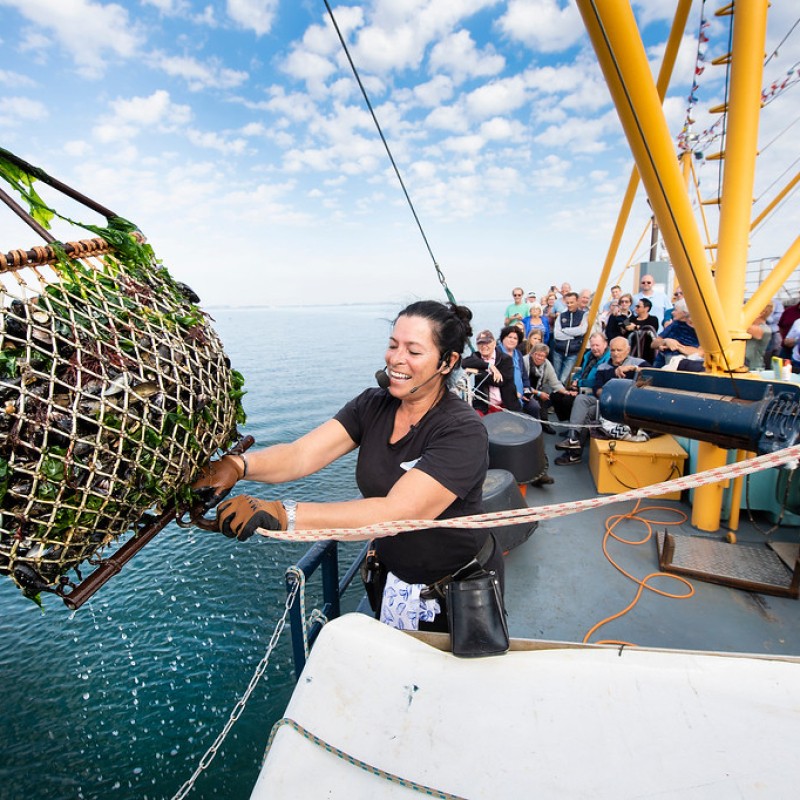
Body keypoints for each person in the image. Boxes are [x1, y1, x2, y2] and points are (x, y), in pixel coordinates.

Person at [193, 300, 502, 634]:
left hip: (454, 590)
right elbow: (301, 454)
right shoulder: (373, 404)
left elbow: (398, 512)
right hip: (394, 579)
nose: (396, 359)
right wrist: (238, 465)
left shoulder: (461, 430)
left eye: (414, 351)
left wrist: (283, 514)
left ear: (448, 361)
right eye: (393, 345)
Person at [554, 336, 645, 466]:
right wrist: (612, 395)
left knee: (588, 412)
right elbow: (597, 389)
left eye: (619, 350)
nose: (615, 353)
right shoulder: (603, 367)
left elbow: (653, 374)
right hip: (605, 403)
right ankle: (573, 438)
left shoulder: (638, 363)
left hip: (627, 406)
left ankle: (574, 455)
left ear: (628, 350)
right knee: (581, 399)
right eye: (613, 350)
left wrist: (632, 368)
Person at [550, 332, 610, 423]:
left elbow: (595, 381)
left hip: (592, 391)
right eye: (592, 345)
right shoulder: (589, 355)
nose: (594, 348)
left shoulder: (607, 359)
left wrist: (579, 384)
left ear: (605, 344)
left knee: (568, 400)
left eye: (597, 345)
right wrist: (575, 380)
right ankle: (568, 422)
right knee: (555, 395)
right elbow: (581, 371)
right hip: (580, 385)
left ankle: (574, 426)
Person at [462, 329, 519, 414]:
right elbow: (464, 363)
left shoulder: (506, 359)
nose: (484, 346)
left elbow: (499, 381)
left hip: (506, 405)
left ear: (494, 343)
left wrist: (478, 371)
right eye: (480, 343)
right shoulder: (476, 356)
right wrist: (489, 366)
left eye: (487, 343)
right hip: (483, 406)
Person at [523, 343, 569, 432]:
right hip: (524, 390)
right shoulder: (524, 361)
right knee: (536, 403)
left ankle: (544, 422)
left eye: (543, 356)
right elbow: (522, 384)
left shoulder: (547, 364)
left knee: (547, 394)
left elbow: (555, 382)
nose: (540, 358)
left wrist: (566, 392)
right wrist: (538, 393)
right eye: (538, 355)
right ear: (532, 353)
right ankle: (534, 426)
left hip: (537, 389)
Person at [652, 299, 700, 368]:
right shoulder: (674, 325)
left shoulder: (699, 329)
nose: (672, 312)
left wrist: (677, 346)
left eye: (675, 310)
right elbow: (653, 344)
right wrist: (665, 341)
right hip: (662, 361)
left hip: (685, 363)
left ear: (684, 313)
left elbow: (701, 352)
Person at [551, 291, 587, 382]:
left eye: (572, 302)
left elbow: (582, 331)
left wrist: (565, 330)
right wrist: (574, 335)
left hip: (573, 353)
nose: (569, 305)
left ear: (577, 301)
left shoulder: (583, 315)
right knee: (555, 378)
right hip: (558, 351)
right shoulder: (561, 315)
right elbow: (557, 335)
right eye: (567, 303)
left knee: (564, 379)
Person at [624, 296, 658, 363]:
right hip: (633, 351)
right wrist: (624, 313)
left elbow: (651, 328)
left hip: (648, 352)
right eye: (636, 306)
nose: (636, 308)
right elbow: (625, 322)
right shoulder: (632, 319)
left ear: (646, 308)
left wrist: (636, 327)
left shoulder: (653, 319)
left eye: (638, 306)